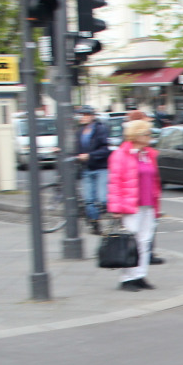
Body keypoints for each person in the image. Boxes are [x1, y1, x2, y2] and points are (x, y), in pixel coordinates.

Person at [107, 119, 161, 291]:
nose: (149, 137)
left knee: (145, 241)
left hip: (148, 204)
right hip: (131, 205)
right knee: (131, 242)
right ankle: (127, 278)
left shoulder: (148, 154)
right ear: (137, 136)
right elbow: (114, 182)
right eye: (147, 134)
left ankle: (140, 275)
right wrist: (115, 208)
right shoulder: (120, 155)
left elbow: (154, 180)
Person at [74, 106, 111, 234]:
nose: (83, 117)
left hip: (101, 167)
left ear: (92, 116)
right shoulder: (79, 131)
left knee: (102, 199)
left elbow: (106, 149)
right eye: (82, 115)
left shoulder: (100, 129)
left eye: (86, 115)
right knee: (89, 199)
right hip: (86, 168)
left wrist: (90, 155)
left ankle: (111, 216)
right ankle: (95, 223)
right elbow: (76, 148)